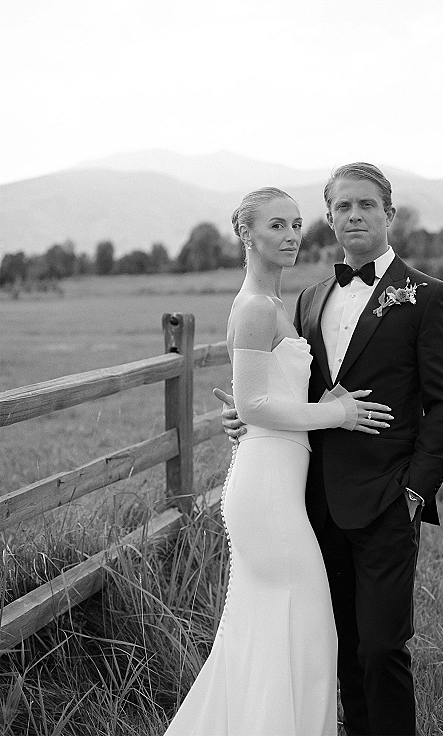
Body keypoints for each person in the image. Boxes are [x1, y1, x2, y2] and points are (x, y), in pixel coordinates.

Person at [218, 163, 443, 736]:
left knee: (382, 649)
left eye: (366, 205)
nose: (354, 216)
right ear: (330, 218)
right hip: (309, 503)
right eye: (343, 207)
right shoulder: (309, 299)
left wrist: (414, 492)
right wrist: (246, 416)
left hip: (386, 498)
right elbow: (290, 391)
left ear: (388, 215)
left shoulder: (427, 297)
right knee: (338, 647)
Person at [163, 187, 392, 736]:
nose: (291, 236)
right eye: (275, 227)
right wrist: (337, 414)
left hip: (280, 483)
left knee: (275, 631)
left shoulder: (275, 307)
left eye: (295, 225)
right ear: (246, 235)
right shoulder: (253, 308)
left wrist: (261, 415)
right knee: (310, 628)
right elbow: (253, 404)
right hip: (266, 493)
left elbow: (257, 401)